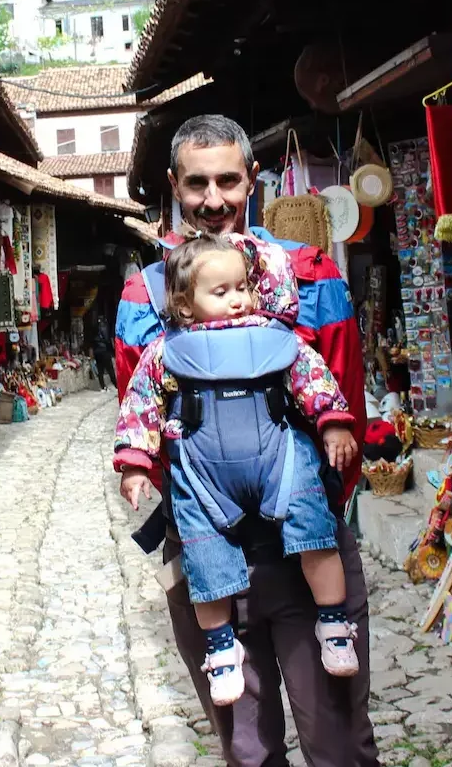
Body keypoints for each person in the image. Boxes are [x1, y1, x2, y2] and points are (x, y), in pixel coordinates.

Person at [115, 115, 378, 767]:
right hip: (207, 559)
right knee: (248, 751)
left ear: (250, 179)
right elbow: (144, 417)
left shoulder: (312, 277)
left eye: (227, 181)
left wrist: (305, 508)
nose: (213, 200)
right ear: (173, 185)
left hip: (304, 545)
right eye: (196, 183)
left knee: (338, 743)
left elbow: (343, 400)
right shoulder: (145, 296)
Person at [116, 232, 359, 706]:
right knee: (204, 555)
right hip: (206, 477)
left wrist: (332, 424)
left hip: (279, 461)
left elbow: (312, 377)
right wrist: (135, 463)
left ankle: (334, 622)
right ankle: (221, 651)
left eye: (242, 288)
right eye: (220, 292)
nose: (237, 300)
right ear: (184, 306)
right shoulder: (167, 353)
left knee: (314, 529)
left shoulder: (276, 339)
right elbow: (140, 404)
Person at [92, 315, 117, 391]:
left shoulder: (94, 327)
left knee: (100, 370)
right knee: (110, 369)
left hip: (97, 351)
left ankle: (102, 386)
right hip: (104, 351)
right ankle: (116, 385)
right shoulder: (104, 327)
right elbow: (107, 339)